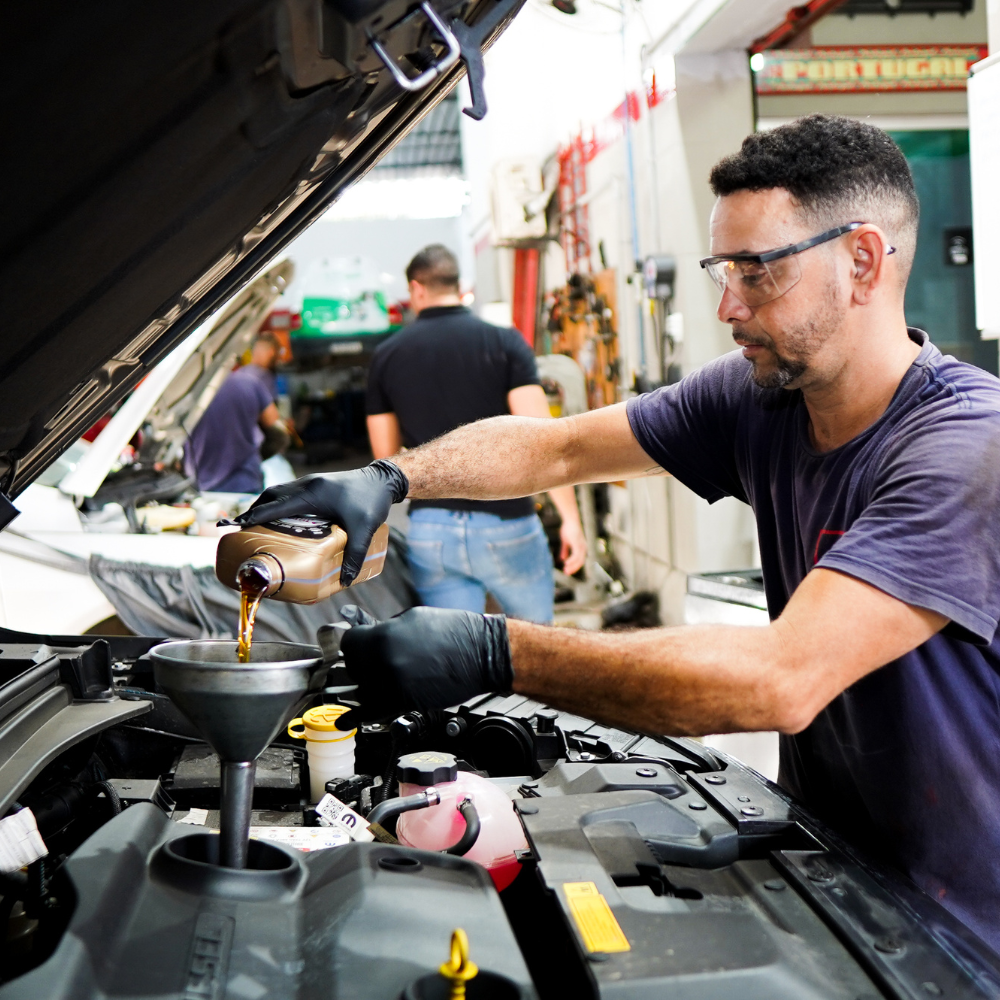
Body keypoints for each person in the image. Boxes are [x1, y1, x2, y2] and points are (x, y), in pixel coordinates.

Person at [234, 115, 1000, 949]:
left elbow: (782, 679)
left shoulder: (965, 451)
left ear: (861, 260)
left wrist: (497, 652)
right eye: (722, 268)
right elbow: (557, 446)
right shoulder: (760, 399)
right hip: (838, 874)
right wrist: (390, 479)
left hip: (965, 924)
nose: (726, 305)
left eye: (756, 271)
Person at [364, 244, 586, 623]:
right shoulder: (505, 342)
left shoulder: (386, 356)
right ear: (459, 285)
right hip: (508, 522)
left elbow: (386, 461)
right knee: (539, 648)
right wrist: (571, 519)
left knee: (454, 655)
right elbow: (546, 441)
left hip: (431, 528)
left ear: (417, 289)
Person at [186, 332, 289, 492]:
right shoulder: (250, 383)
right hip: (245, 480)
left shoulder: (187, 393)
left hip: (201, 484)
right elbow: (277, 430)